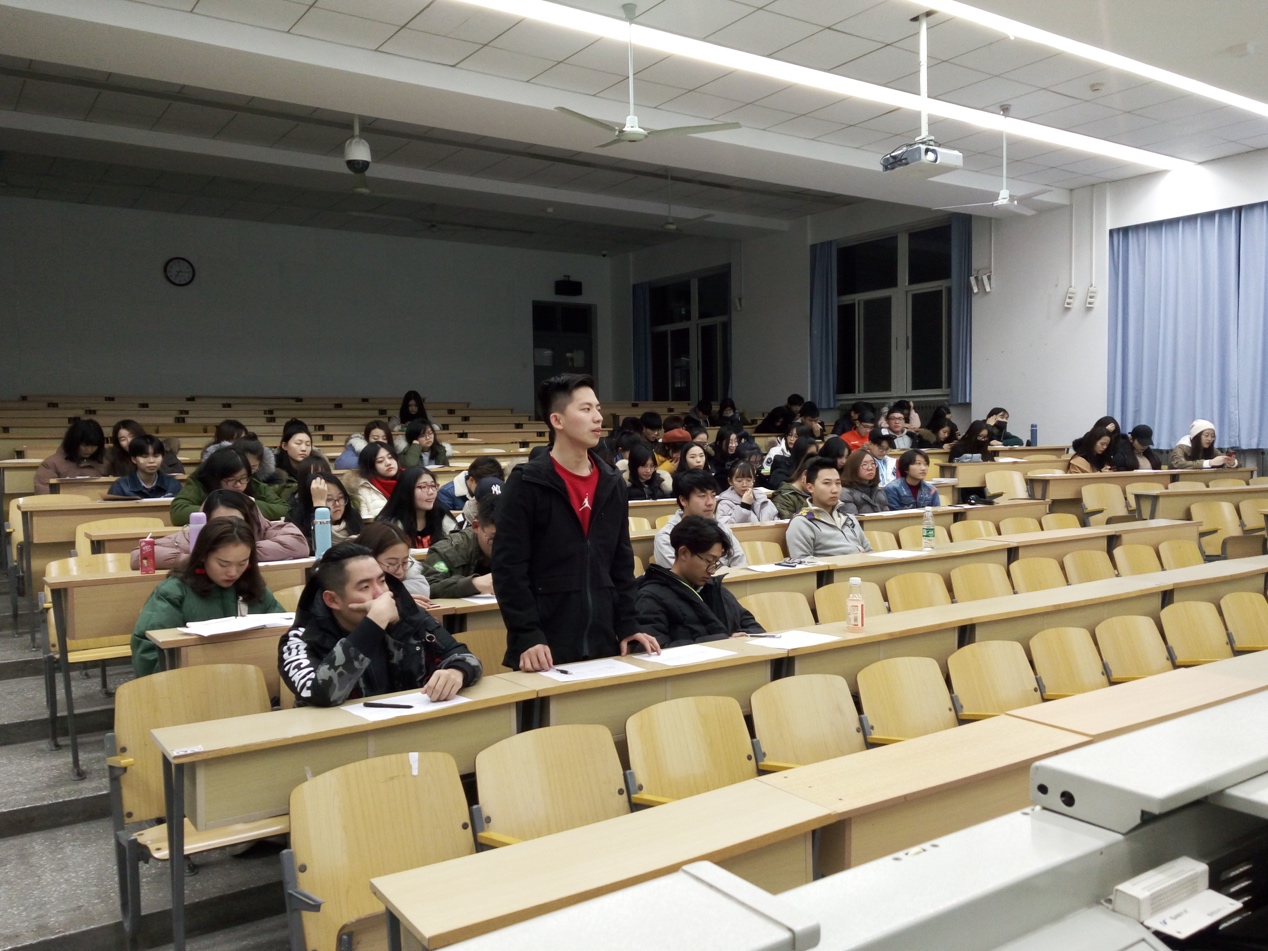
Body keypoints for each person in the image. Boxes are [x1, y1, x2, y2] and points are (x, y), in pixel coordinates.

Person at [492, 373, 658, 671]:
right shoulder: (526, 482)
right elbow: (509, 569)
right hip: (543, 644)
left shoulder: (611, 482)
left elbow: (621, 562)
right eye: (586, 409)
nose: (598, 417)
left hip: (604, 639)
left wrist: (629, 623)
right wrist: (527, 634)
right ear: (557, 420)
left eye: (598, 408)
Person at [278, 541, 481, 707]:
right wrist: (374, 623)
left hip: (406, 728)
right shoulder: (300, 640)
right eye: (365, 587)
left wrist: (457, 672)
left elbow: (463, 655)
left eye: (382, 581)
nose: (382, 594)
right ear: (332, 600)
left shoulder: (409, 616)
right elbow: (322, 693)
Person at [131, 518, 286, 677]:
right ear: (203, 556)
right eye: (223, 564)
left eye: (242, 563)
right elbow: (147, 651)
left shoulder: (255, 589)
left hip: (255, 680)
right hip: (191, 683)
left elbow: (286, 638)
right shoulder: (174, 592)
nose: (233, 572)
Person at [636, 516, 765, 647]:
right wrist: (722, 642)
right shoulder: (651, 597)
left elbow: (755, 629)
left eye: (716, 562)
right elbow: (652, 649)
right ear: (684, 553)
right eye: (709, 561)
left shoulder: (716, 589)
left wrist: (739, 639)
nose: (712, 570)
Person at [131, 488, 307, 570]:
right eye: (220, 523)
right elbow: (140, 555)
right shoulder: (192, 536)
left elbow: (298, 544)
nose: (228, 529)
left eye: (235, 521)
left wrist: (237, 553)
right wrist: (194, 559)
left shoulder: (264, 528)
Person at [170, 446, 289, 525]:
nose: (238, 485)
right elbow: (178, 512)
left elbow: (284, 508)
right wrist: (221, 509)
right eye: (231, 480)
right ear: (216, 477)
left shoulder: (252, 483)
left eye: (243, 478)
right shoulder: (200, 483)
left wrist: (248, 506)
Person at [654, 470, 747, 569]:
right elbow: (680, 574)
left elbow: (741, 566)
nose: (710, 502)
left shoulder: (722, 529)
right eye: (702, 496)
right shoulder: (666, 537)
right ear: (683, 500)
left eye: (713, 496)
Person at [786, 458, 873, 560]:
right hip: (837, 570)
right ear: (810, 487)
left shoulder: (849, 519)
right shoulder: (802, 523)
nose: (835, 490)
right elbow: (802, 562)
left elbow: (869, 552)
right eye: (827, 483)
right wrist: (851, 559)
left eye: (838, 483)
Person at [422, 492, 497, 599]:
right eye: (494, 538)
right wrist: (473, 584)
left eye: (509, 538)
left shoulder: (518, 545)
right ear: (476, 526)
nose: (502, 545)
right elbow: (428, 586)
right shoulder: (448, 550)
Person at [357, 521, 431, 605]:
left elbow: (421, 590)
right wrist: (397, 600)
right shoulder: (350, 574)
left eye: (404, 562)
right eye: (391, 563)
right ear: (370, 558)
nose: (400, 571)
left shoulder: (410, 568)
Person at [288, 471, 363, 551]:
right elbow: (318, 549)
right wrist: (319, 506)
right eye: (329, 499)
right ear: (311, 502)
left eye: (341, 497)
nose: (337, 504)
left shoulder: (353, 517)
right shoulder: (296, 522)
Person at [35, 419, 109, 493]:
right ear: (73, 442)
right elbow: (43, 494)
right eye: (84, 445)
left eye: (94, 446)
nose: (89, 450)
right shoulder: (51, 464)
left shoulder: (107, 462)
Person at [107, 434, 182, 499]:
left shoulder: (172, 484)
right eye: (144, 456)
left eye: (156, 456)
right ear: (134, 459)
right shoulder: (121, 486)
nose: (151, 461)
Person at [437, 455, 505, 517]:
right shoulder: (446, 493)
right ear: (471, 480)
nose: (488, 489)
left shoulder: (499, 488)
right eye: (484, 485)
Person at [345, 442, 399, 519]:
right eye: (380, 461)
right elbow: (364, 522)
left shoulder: (409, 481)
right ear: (370, 466)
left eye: (390, 457)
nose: (388, 463)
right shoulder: (362, 488)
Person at [714, 461, 778, 525]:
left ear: (753, 480)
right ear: (730, 481)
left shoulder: (763, 499)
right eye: (739, 481)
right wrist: (744, 506)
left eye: (748, 480)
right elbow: (725, 527)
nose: (744, 484)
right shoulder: (725, 504)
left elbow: (777, 521)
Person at [1170, 420, 1237, 469]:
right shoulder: (1181, 447)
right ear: (1197, 436)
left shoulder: (1210, 449)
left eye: (1212, 436)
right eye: (1206, 435)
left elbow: (1224, 460)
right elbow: (1178, 464)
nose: (1210, 439)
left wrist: (1231, 463)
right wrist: (1209, 463)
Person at [838, 449, 889, 515]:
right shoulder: (845, 493)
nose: (870, 468)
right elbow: (852, 519)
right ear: (853, 467)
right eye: (864, 464)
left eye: (872, 463)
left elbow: (888, 516)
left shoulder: (878, 490)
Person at [771, 453, 817, 519]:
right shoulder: (784, 498)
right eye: (826, 483)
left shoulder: (818, 495)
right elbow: (788, 522)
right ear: (805, 475)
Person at [275, 419, 315, 485]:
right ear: (284, 446)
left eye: (308, 444)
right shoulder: (273, 470)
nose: (304, 449)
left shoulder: (317, 466)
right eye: (298, 443)